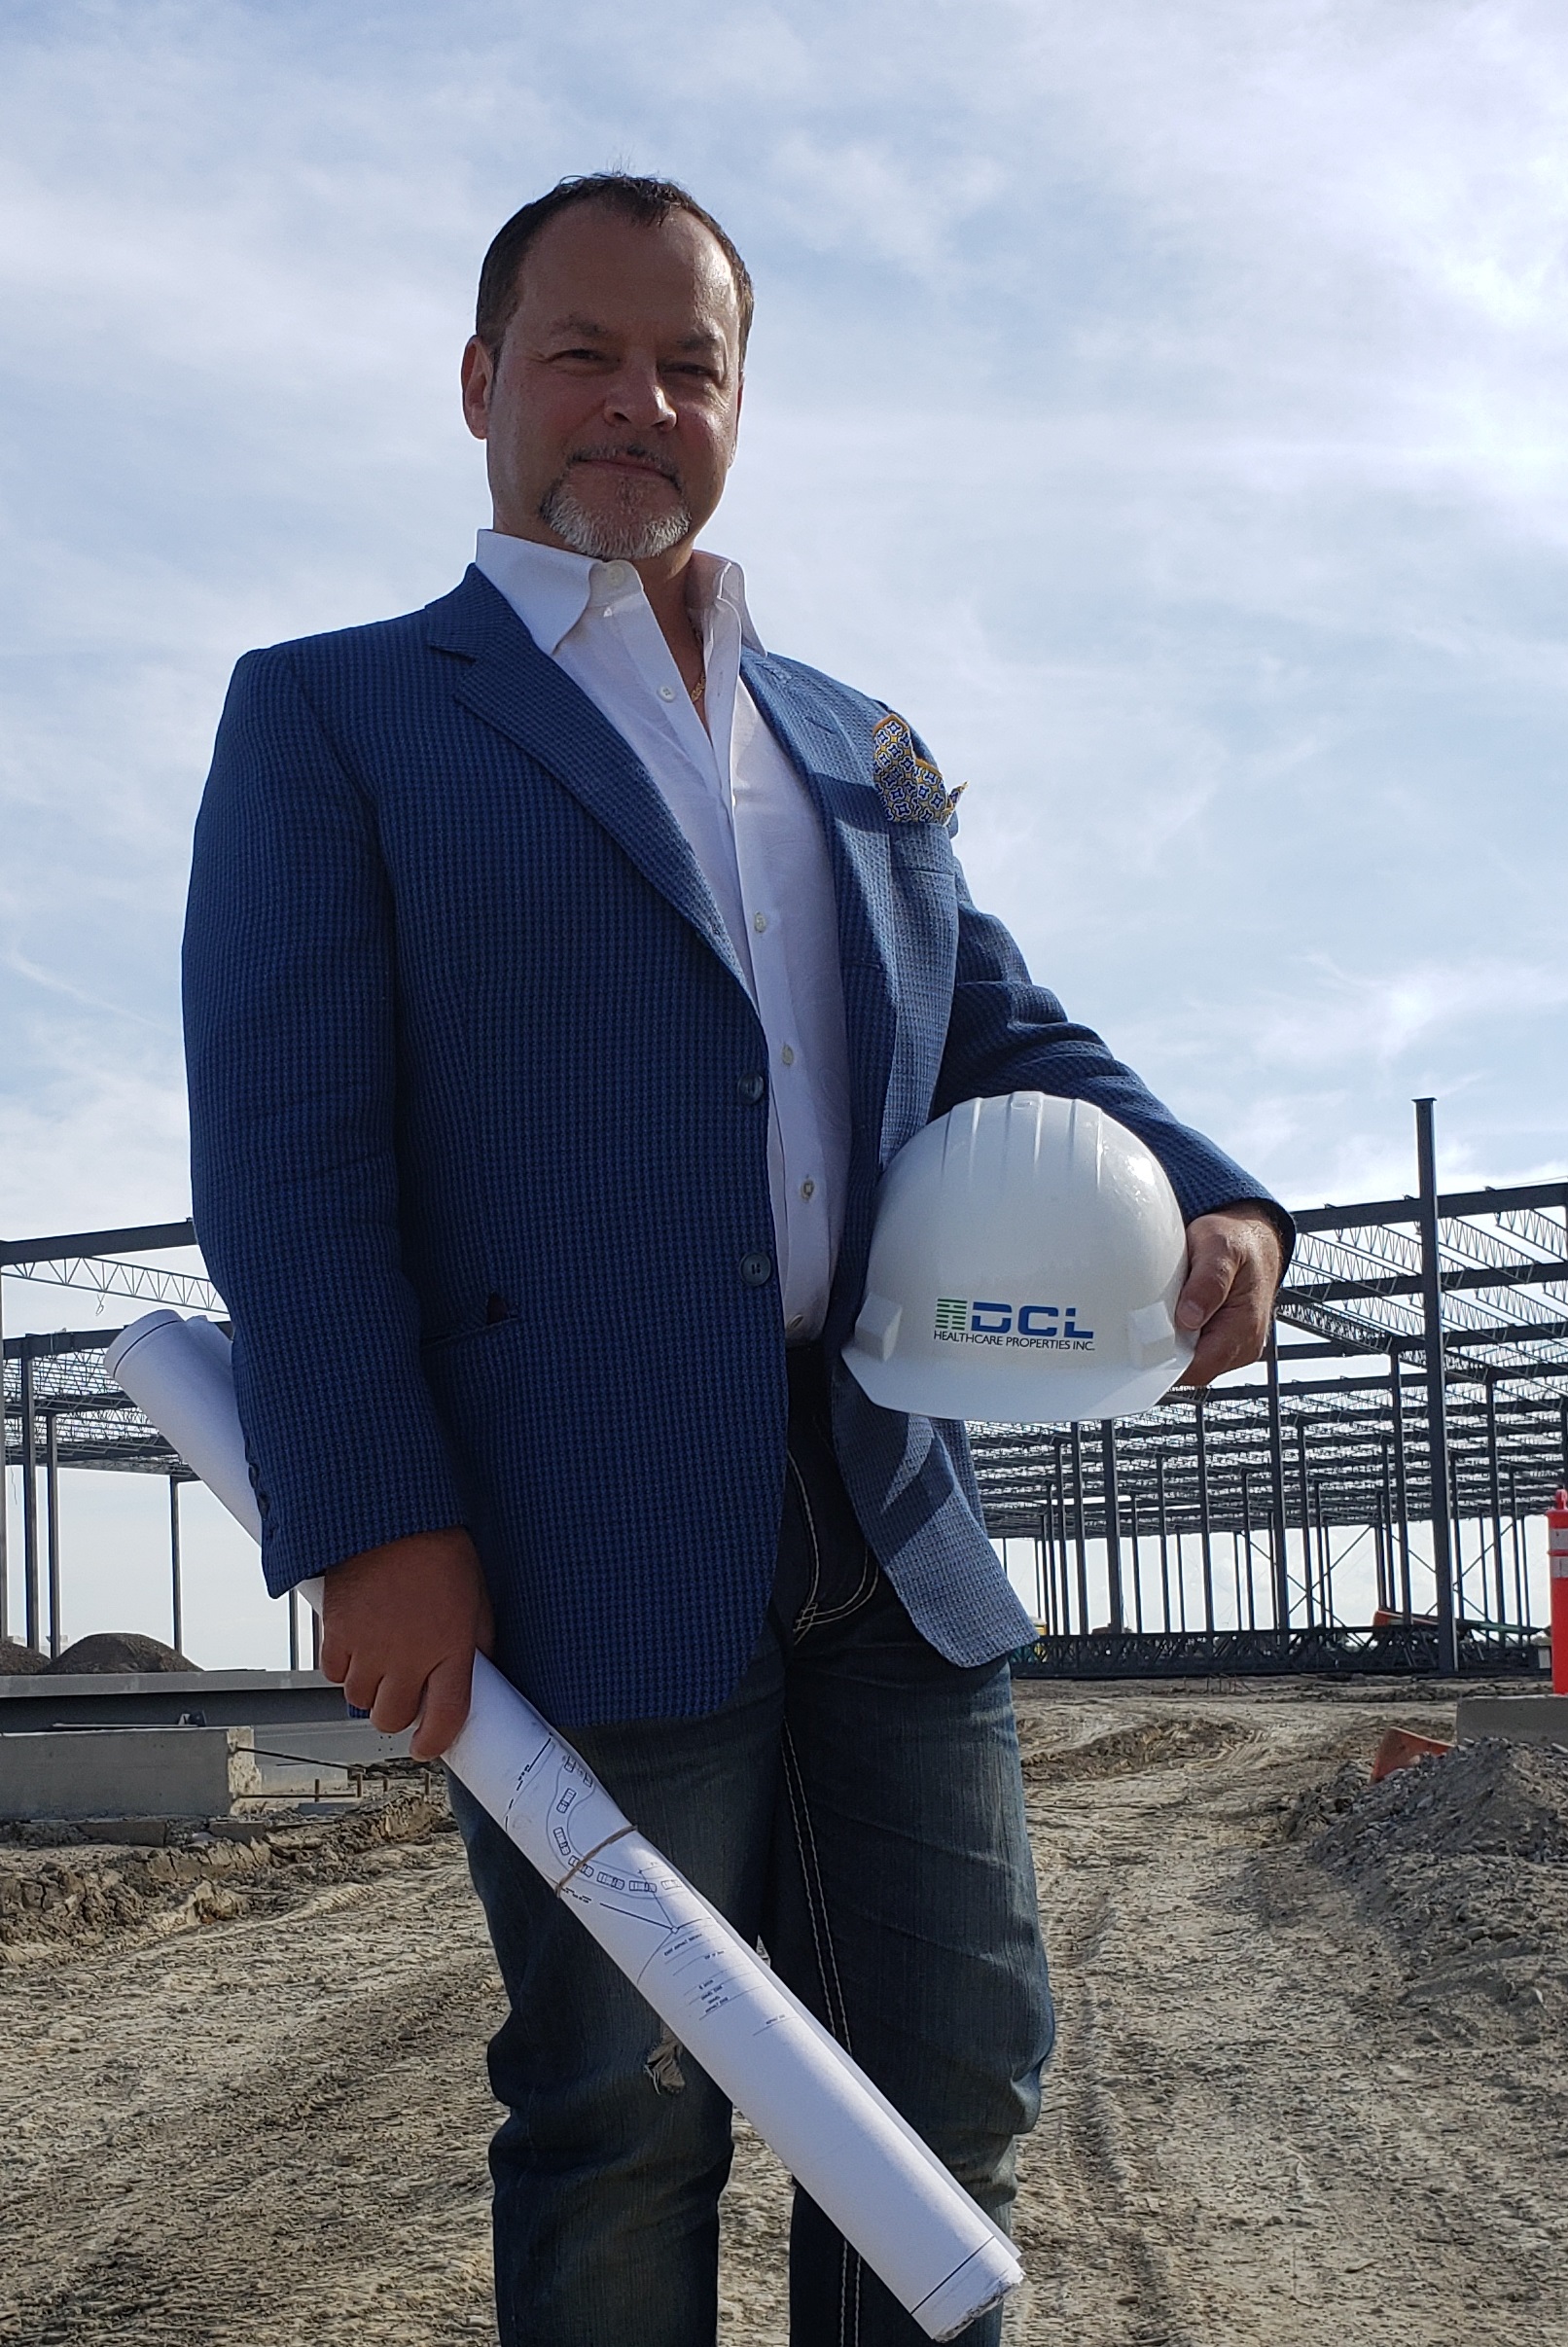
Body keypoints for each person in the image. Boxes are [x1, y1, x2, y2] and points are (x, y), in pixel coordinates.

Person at [182, 173, 1289, 2347]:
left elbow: (997, 1028)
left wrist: (1208, 1186)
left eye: (687, 364)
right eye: (583, 353)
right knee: (622, 2103)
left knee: (948, 2076)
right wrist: (372, 1517)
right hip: (569, 1513)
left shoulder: (848, 739)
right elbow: (287, 1159)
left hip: (877, 1506)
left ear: (737, 403)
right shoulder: (337, 718)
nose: (636, 402)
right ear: (482, 380)